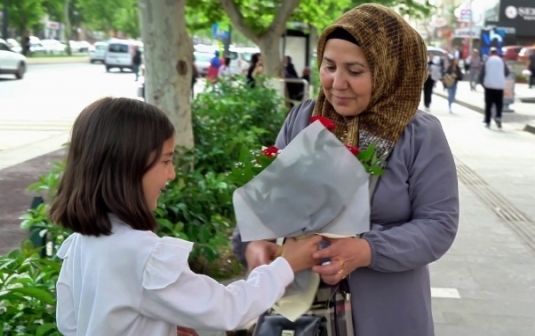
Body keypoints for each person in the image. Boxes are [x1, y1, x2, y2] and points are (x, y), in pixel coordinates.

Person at [232, 4, 459, 336]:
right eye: (329, 66)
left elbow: (439, 224)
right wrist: (255, 242)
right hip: (297, 315)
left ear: (388, 70)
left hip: (385, 314)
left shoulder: (419, 135)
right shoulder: (304, 118)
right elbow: (267, 200)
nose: (337, 82)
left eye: (354, 71)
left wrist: (366, 250)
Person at [49, 97, 323, 336]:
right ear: (128, 168)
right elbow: (229, 309)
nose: (172, 174)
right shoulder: (143, 255)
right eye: (166, 161)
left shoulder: (81, 244)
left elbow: (71, 323)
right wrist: (286, 265)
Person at [478, 47, 510, 129]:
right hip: (499, 86)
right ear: (496, 53)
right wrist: (500, 78)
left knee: (488, 104)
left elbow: (482, 73)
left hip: (489, 86)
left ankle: (488, 121)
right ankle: (498, 117)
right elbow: (507, 72)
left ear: (490, 53)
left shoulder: (487, 61)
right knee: (499, 104)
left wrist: (482, 83)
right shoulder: (501, 61)